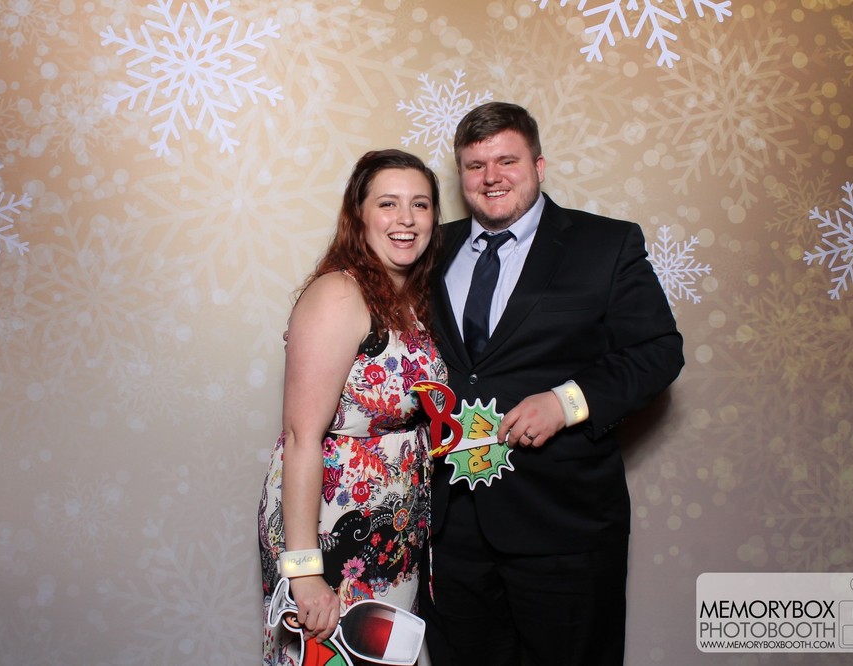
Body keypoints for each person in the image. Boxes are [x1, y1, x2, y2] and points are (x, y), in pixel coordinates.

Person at [422, 102, 684, 665]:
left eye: (507, 161)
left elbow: (658, 351)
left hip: (563, 525)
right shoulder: (428, 249)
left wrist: (567, 403)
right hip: (451, 527)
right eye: (475, 165)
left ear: (539, 166)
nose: (491, 177)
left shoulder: (605, 245)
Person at [258, 149, 448, 665]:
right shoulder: (340, 294)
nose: (406, 219)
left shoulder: (412, 298)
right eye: (388, 203)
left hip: (393, 527)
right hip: (330, 527)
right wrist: (304, 572)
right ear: (358, 215)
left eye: (420, 204)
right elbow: (301, 437)